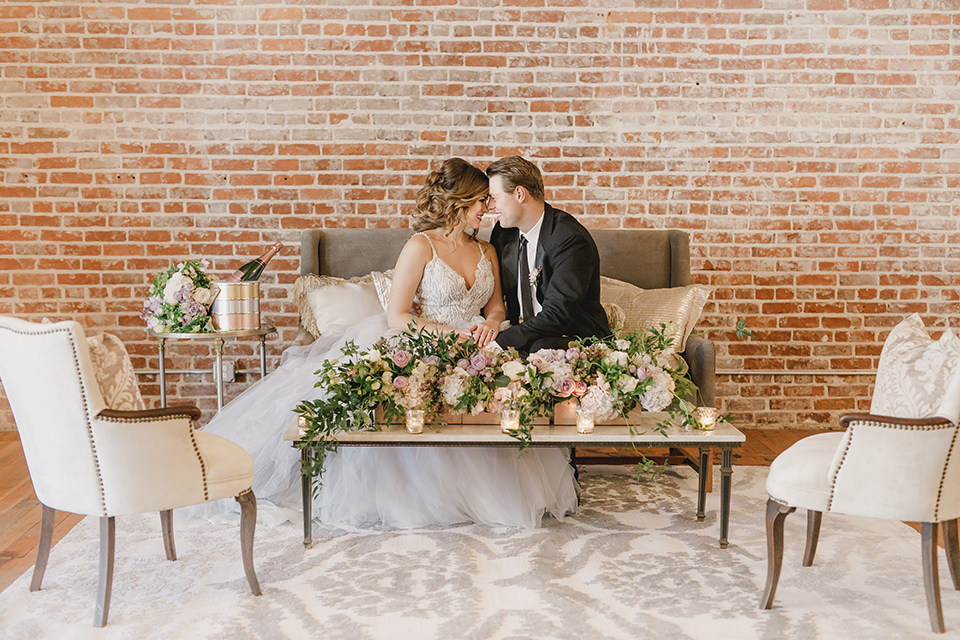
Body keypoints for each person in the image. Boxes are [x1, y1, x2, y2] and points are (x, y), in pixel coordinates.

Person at [182, 158, 579, 529]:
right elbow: (398, 316)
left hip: (478, 341)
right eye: (480, 201)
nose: (487, 209)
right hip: (429, 338)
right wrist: (454, 336)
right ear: (459, 204)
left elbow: (497, 307)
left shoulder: (489, 248)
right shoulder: (420, 246)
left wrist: (490, 328)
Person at [487, 156, 610, 354]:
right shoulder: (503, 234)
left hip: (570, 337)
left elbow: (558, 315)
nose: (489, 206)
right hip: (522, 335)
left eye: (495, 197)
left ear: (519, 194)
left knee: (540, 349)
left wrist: (500, 344)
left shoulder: (569, 239)